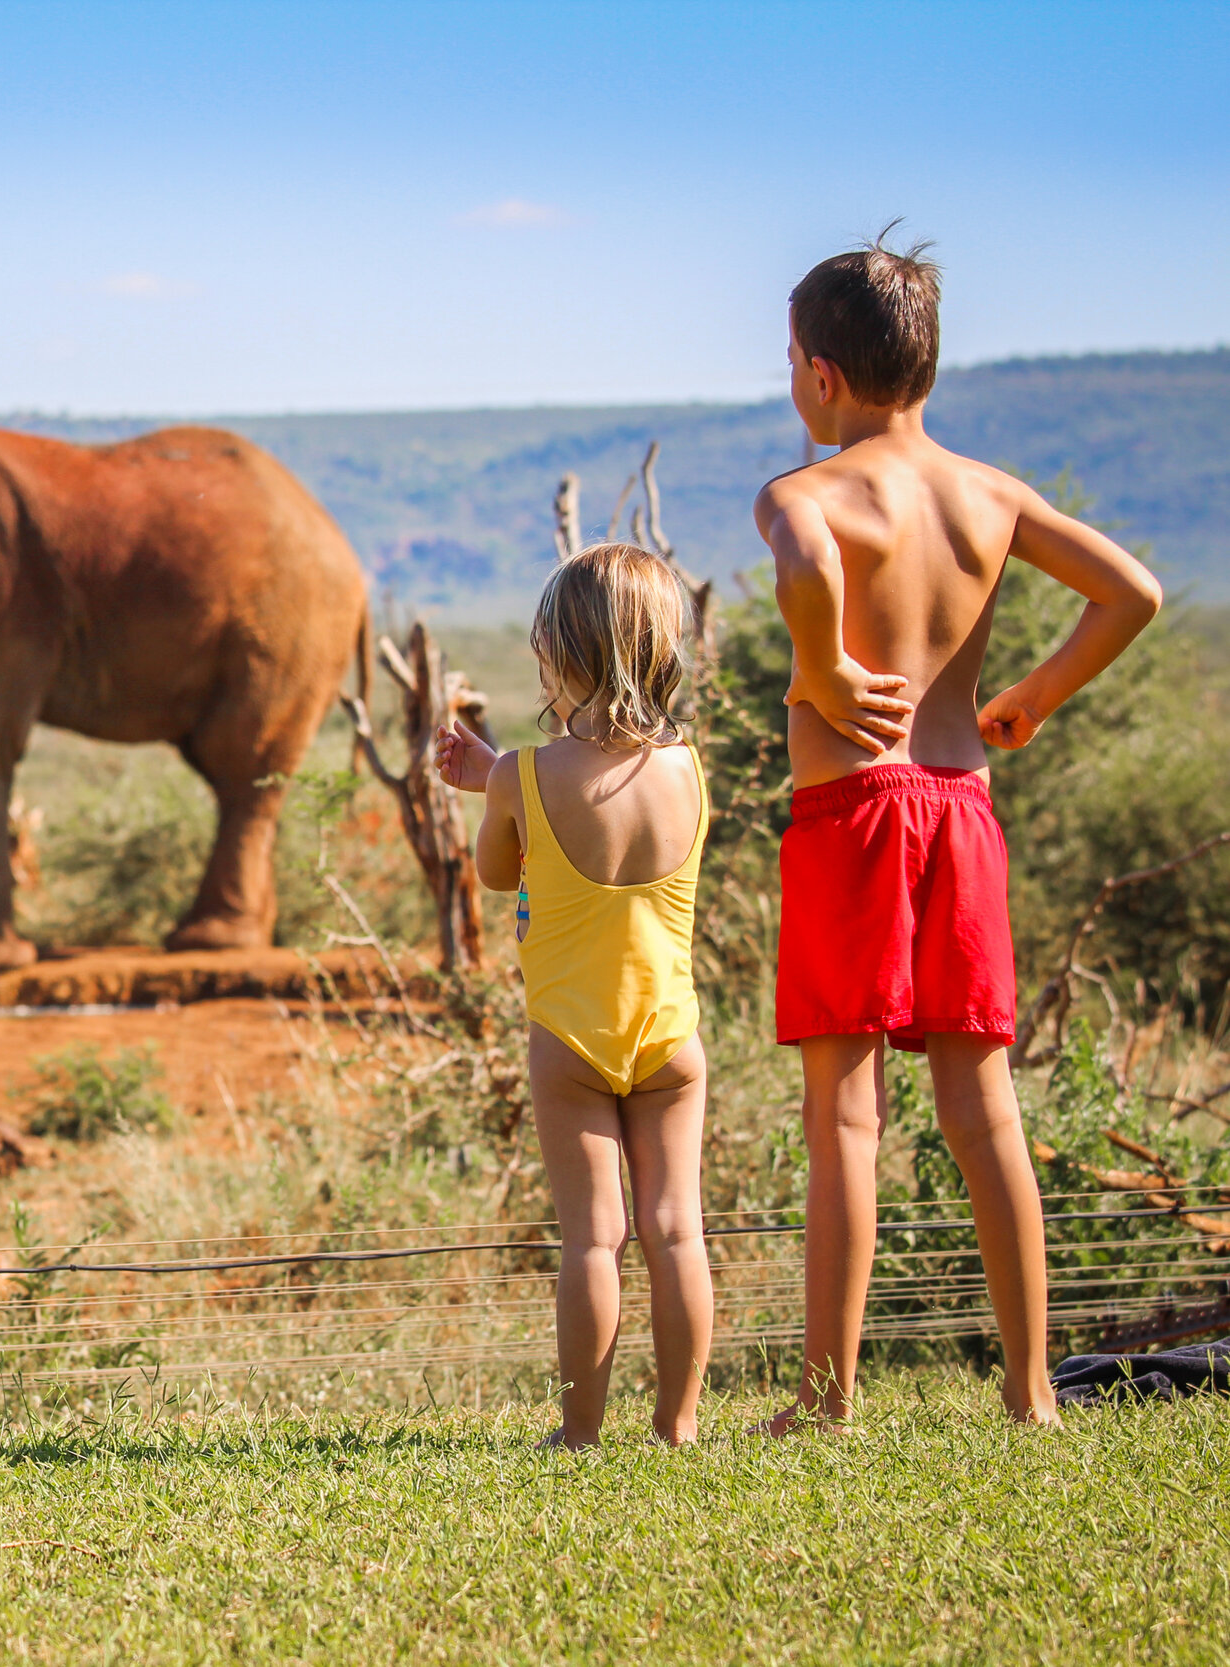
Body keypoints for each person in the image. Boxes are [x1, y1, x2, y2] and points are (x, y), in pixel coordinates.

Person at [755, 233, 1163, 1432]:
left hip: (853, 813)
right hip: (961, 806)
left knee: (844, 1115)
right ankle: (1030, 1386)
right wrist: (1033, 694)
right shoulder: (991, 494)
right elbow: (1130, 591)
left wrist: (825, 667)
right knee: (983, 1107)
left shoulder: (804, 488)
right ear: (924, 371)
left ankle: (826, 1402)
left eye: (789, 360)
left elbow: (804, 550)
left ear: (821, 377)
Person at [435, 544, 714, 1448]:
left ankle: (581, 1435)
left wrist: (492, 781)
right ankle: (677, 1426)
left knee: (596, 1240)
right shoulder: (689, 770)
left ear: (558, 648)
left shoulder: (523, 772)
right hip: (671, 1036)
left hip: (571, 1039)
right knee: (677, 1232)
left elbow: (494, 870)